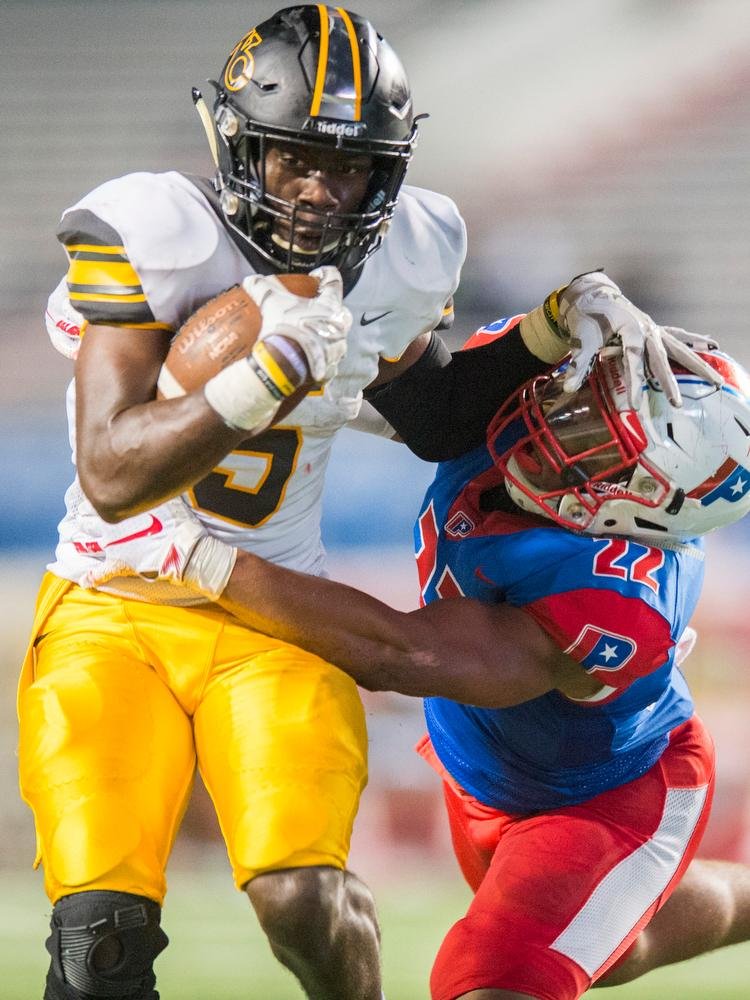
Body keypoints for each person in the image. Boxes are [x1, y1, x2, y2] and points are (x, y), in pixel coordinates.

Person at [23, 3, 720, 997]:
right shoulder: (156, 230)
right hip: (109, 603)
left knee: (307, 897)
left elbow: (432, 415)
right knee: (98, 939)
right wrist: (264, 377)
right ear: (238, 144)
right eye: (294, 160)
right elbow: (111, 469)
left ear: (386, 172)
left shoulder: (408, 248)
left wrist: (549, 325)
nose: (317, 191)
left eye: (347, 167)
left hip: (271, 611)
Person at [77, 329, 750, 1000]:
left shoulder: (618, 602)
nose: (560, 422)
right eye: (587, 401)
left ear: (652, 505)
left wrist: (192, 556)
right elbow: (410, 394)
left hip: (604, 799)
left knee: (495, 981)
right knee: (617, 946)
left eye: (600, 442)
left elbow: (397, 651)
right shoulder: (531, 411)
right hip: (487, 773)